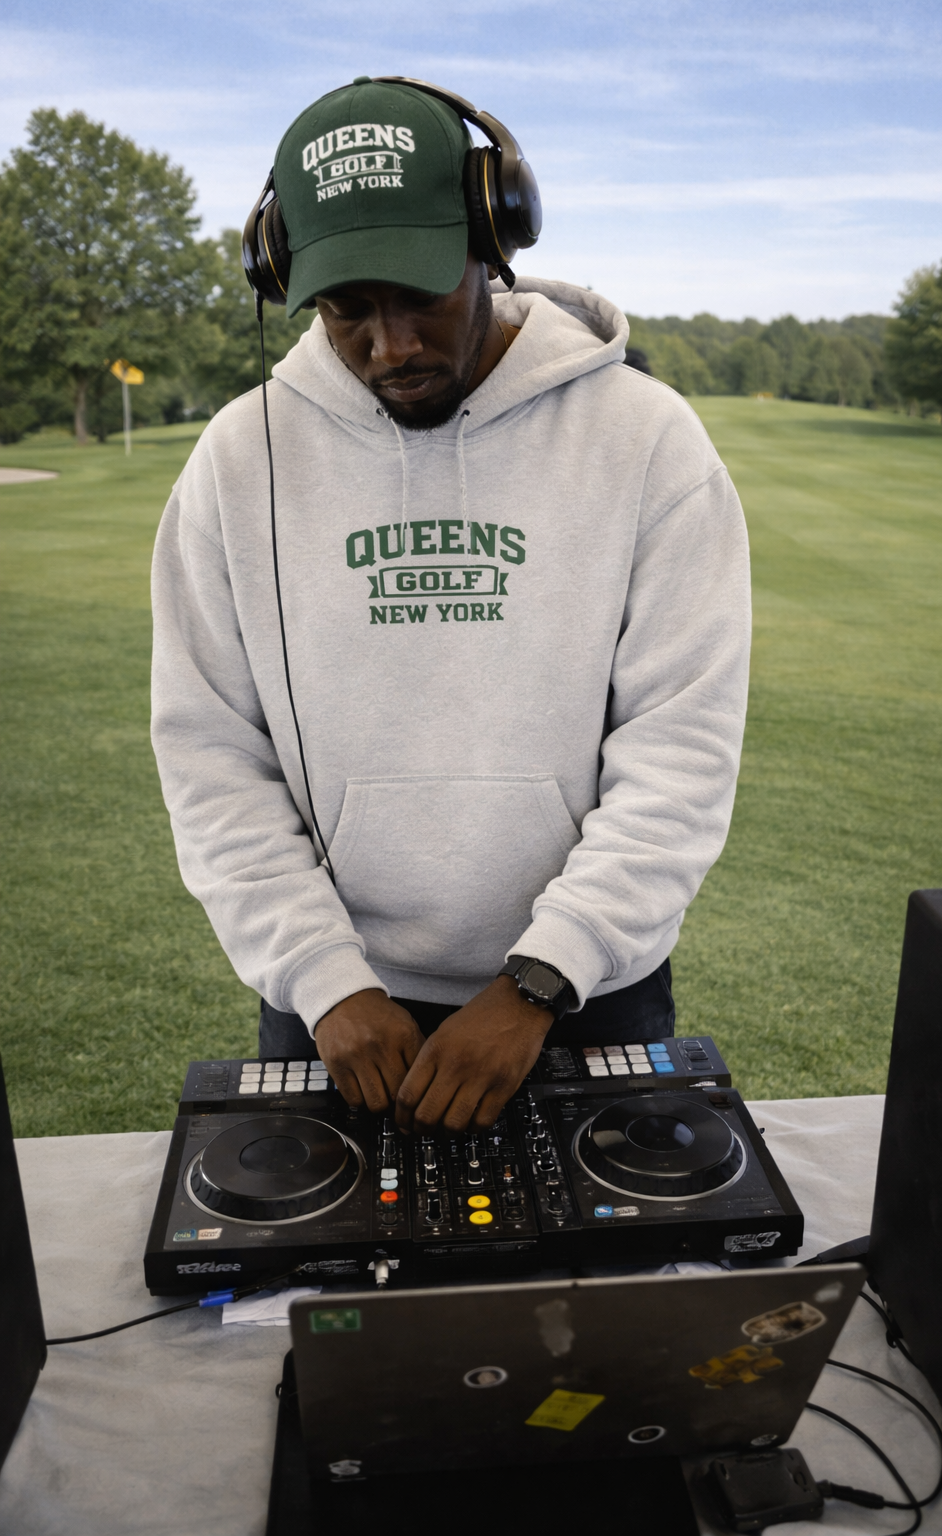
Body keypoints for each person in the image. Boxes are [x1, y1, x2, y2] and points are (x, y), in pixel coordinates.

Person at [150, 77, 750, 1136]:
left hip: (587, 992)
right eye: (345, 309)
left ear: (492, 241)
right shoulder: (238, 462)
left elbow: (680, 750)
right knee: (321, 1301)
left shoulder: (650, 442)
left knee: (604, 1303)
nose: (388, 347)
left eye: (418, 294)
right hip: (336, 1010)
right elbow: (209, 755)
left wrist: (539, 981)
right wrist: (324, 975)